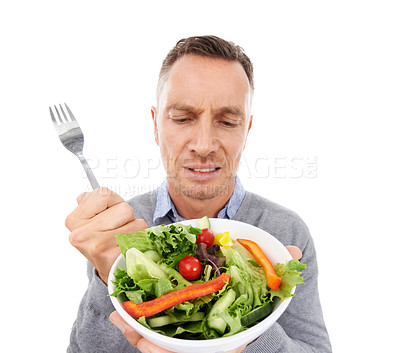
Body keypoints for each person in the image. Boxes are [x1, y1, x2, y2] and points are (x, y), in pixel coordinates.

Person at [65, 35, 332, 353]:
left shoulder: (285, 231)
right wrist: (107, 276)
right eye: (182, 118)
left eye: (228, 121)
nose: (203, 145)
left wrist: (249, 339)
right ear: (156, 125)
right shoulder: (122, 226)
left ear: (245, 131)